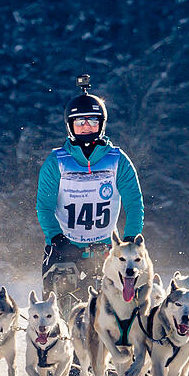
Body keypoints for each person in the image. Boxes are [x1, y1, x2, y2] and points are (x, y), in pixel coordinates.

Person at [36, 75, 144, 304]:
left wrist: (130, 240)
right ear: (70, 126)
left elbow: (134, 203)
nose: (87, 127)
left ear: (102, 124)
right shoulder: (56, 162)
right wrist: (56, 239)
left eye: (93, 121)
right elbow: (44, 207)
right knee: (62, 308)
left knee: (120, 307)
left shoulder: (117, 160)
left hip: (107, 247)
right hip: (66, 247)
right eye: (80, 122)